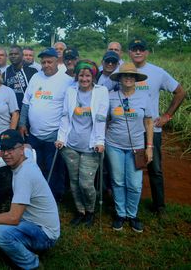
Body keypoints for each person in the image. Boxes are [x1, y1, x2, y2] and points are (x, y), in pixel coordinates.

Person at [0, 130, 60, 270]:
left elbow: (13, 218)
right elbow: (28, 146)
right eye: (3, 149)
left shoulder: (25, 175)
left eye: (11, 149)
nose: (6, 154)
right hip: (30, 222)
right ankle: (16, 247)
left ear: (19, 150)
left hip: (45, 234)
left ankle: (32, 264)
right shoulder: (26, 155)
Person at [128, 38, 186, 215]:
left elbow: (180, 91)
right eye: (134, 49)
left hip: (152, 129)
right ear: (129, 52)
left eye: (141, 49)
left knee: (155, 168)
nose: (137, 52)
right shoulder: (124, 71)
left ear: (147, 52)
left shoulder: (157, 72)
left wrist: (167, 116)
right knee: (129, 167)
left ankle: (159, 205)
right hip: (129, 128)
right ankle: (129, 204)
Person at [55, 60, 109, 227]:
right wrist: (61, 138)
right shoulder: (71, 91)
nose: (84, 79)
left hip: (91, 146)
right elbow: (65, 116)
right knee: (74, 181)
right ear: (77, 76)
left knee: (86, 183)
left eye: (88, 75)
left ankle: (90, 211)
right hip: (70, 144)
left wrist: (100, 141)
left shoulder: (101, 91)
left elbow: (101, 118)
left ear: (93, 76)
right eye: (81, 75)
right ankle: (80, 211)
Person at [18, 47, 73, 201]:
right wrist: (22, 123)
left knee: (54, 167)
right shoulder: (36, 77)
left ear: (57, 62)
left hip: (54, 134)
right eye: (44, 62)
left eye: (50, 62)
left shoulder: (66, 81)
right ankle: (39, 194)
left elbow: (69, 109)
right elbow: (26, 103)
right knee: (36, 166)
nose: (46, 65)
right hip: (34, 133)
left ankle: (56, 195)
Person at [105, 62, 154, 232]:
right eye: (125, 75)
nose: (128, 78)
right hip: (114, 145)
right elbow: (104, 120)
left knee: (135, 184)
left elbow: (148, 122)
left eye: (131, 75)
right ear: (119, 78)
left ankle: (132, 214)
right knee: (118, 181)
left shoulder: (143, 97)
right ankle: (120, 214)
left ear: (136, 79)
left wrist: (149, 147)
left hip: (138, 147)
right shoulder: (110, 96)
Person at [3, 45, 38, 109]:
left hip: (28, 109)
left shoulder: (32, 70)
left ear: (22, 55)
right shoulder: (6, 72)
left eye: (16, 54)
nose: (13, 56)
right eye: (11, 54)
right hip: (12, 111)